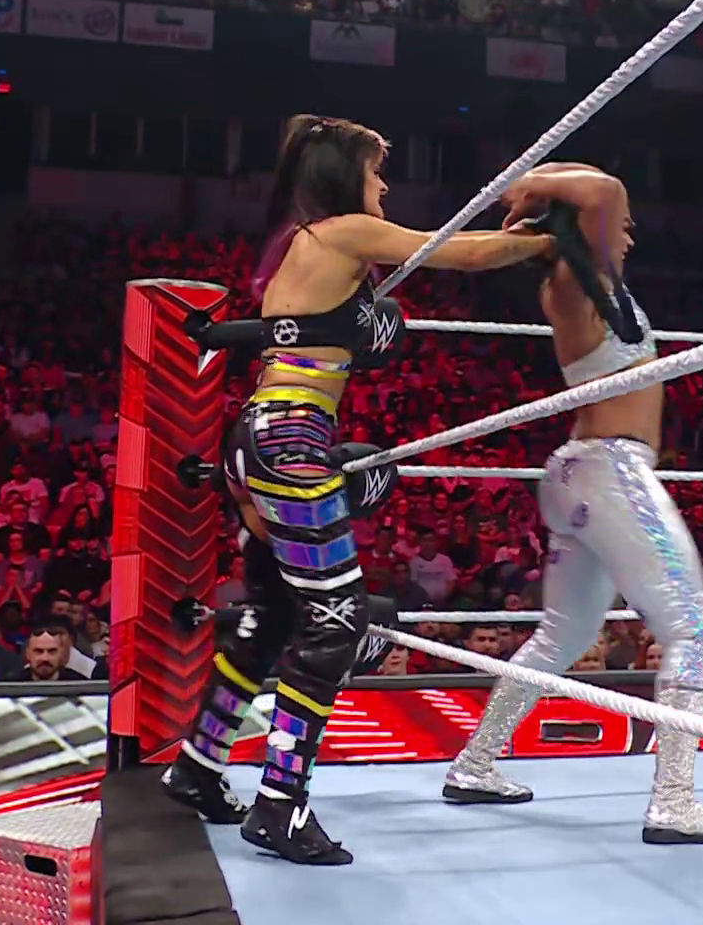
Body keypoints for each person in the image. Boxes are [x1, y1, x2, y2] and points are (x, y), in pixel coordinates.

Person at [159, 115, 555, 865]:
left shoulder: (299, 242)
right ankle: (280, 805)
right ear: (346, 177)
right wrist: (547, 241)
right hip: (290, 442)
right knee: (334, 625)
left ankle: (199, 768)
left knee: (274, 613)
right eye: (376, 172)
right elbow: (460, 253)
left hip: (259, 435)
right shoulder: (344, 232)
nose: (385, 185)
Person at [442, 163, 703, 846]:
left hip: (580, 473)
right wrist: (530, 185)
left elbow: (602, 197)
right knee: (696, 629)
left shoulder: (589, 288)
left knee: (563, 634)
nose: (630, 231)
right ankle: (674, 801)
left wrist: (535, 190)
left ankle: (474, 765)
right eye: (622, 226)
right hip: (608, 471)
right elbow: (607, 190)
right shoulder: (574, 282)